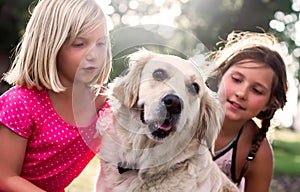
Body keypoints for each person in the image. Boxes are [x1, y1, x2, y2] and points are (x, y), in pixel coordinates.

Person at [0, 0, 112, 191]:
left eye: (101, 43)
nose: (94, 55)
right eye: (79, 44)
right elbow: (5, 177)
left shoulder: (104, 104)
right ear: (50, 45)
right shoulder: (21, 103)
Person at [206, 31, 288, 192]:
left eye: (257, 90)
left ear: (269, 103)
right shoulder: (184, 118)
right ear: (221, 76)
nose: (242, 93)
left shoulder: (257, 152)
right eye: (236, 80)